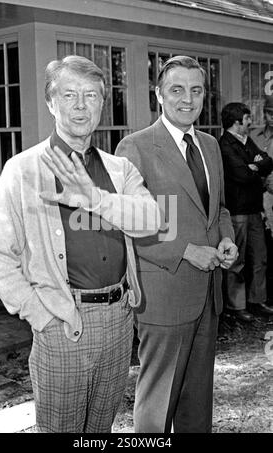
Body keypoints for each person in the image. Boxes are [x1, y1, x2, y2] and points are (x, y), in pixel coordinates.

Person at [0, 55, 160, 433]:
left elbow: (152, 221)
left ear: (102, 104)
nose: (81, 105)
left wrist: (95, 198)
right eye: (69, 95)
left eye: (91, 96)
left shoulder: (119, 169)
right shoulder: (22, 170)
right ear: (51, 103)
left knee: (101, 428)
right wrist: (41, 316)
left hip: (118, 318)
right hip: (62, 322)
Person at [115, 55, 237, 433]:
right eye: (177, 89)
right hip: (164, 298)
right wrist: (186, 250)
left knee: (196, 402)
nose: (188, 98)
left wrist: (227, 238)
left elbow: (216, 209)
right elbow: (127, 225)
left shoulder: (210, 146)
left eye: (196, 90)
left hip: (208, 296)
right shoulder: (134, 147)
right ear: (159, 95)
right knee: (158, 405)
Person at [219, 102, 273, 322]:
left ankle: (257, 299)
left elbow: (268, 162)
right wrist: (254, 168)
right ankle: (236, 305)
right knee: (237, 261)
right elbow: (240, 175)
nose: (251, 122)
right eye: (248, 119)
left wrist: (255, 167)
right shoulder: (225, 145)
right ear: (236, 122)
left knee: (260, 257)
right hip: (237, 211)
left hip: (254, 209)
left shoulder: (247, 141)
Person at [250, 95, 273, 305]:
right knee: (263, 249)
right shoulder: (254, 136)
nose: (272, 118)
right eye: (269, 113)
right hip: (259, 198)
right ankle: (263, 297)